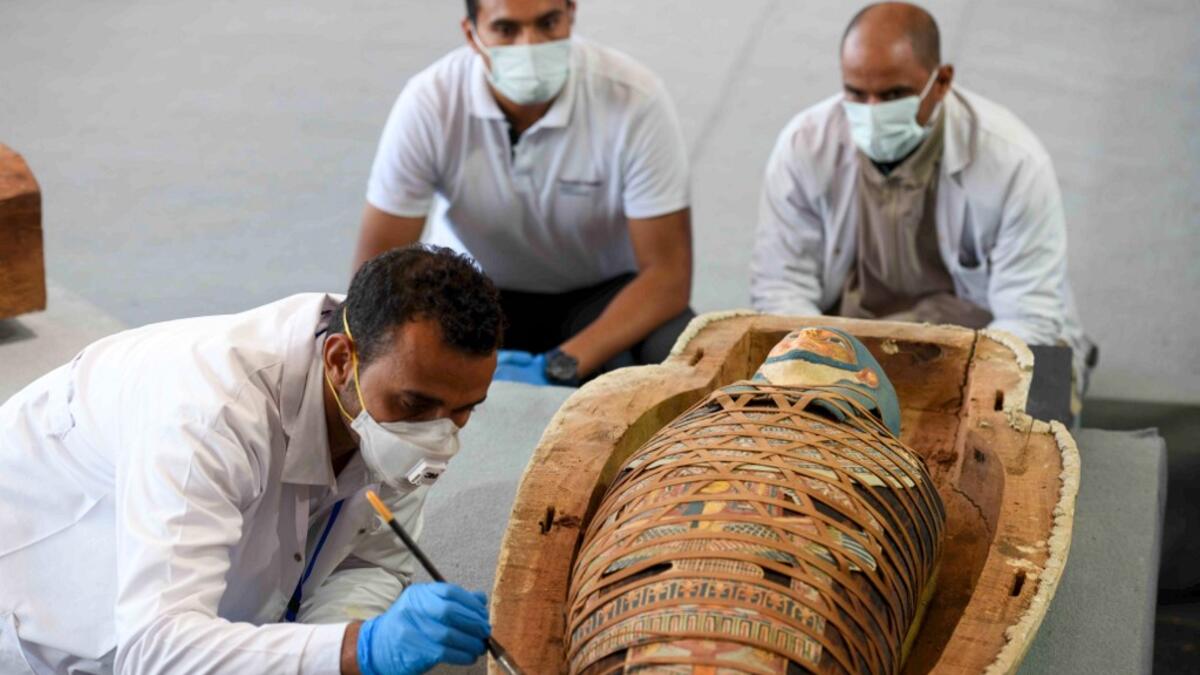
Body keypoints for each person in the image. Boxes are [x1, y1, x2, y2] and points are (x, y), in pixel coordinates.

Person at [0, 246, 505, 674]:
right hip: (46, 607)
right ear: (340, 360)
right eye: (415, 407)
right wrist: (357, 648)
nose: (437, 435)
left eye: (465, 411)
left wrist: (351, 633)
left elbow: (365, 558)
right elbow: (155, 649)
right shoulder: (208, 414)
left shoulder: (397, 383)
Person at [751, 2, 1093, 395]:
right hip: (850, 349)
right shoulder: (804, 147)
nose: (872, 112)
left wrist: (946, 389)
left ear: (942, 81)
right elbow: (781, 290)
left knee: (1020, 433)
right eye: (856, 93)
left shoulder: (1013, 163)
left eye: (895, 94)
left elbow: (1027, 319)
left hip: (978, 345)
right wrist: (824, 371)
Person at [356, 0, 694, 387]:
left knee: (675, 351)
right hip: (472, 292)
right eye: (506, 29)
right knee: (389, 349)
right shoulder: (431, 102)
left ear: (571, 13)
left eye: (548, 23)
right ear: (472, 33)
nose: (529, 45)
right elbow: (377, 268)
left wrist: (564, 362)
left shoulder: (634, 100)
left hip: (601, 297)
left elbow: (667, 276)